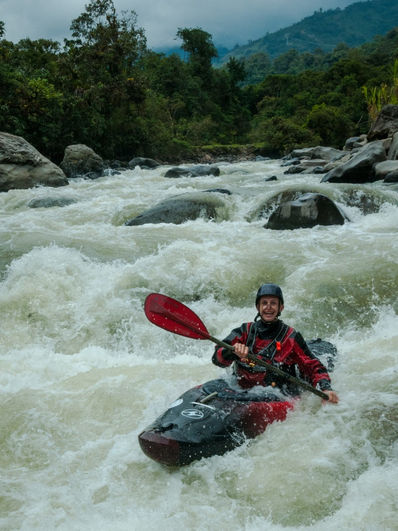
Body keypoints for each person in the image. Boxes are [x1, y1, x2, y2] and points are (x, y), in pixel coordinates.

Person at [212, 283, 339, 404]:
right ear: (258, 307)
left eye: (273, 303)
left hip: (278, 395)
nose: (268, 307)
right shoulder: (244, 331)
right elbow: (217, 359)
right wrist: (231, 351)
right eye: (264, 303)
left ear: (280, 308)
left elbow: (313, 366)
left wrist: (326, 387)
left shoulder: (291, 338)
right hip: (241, 391)